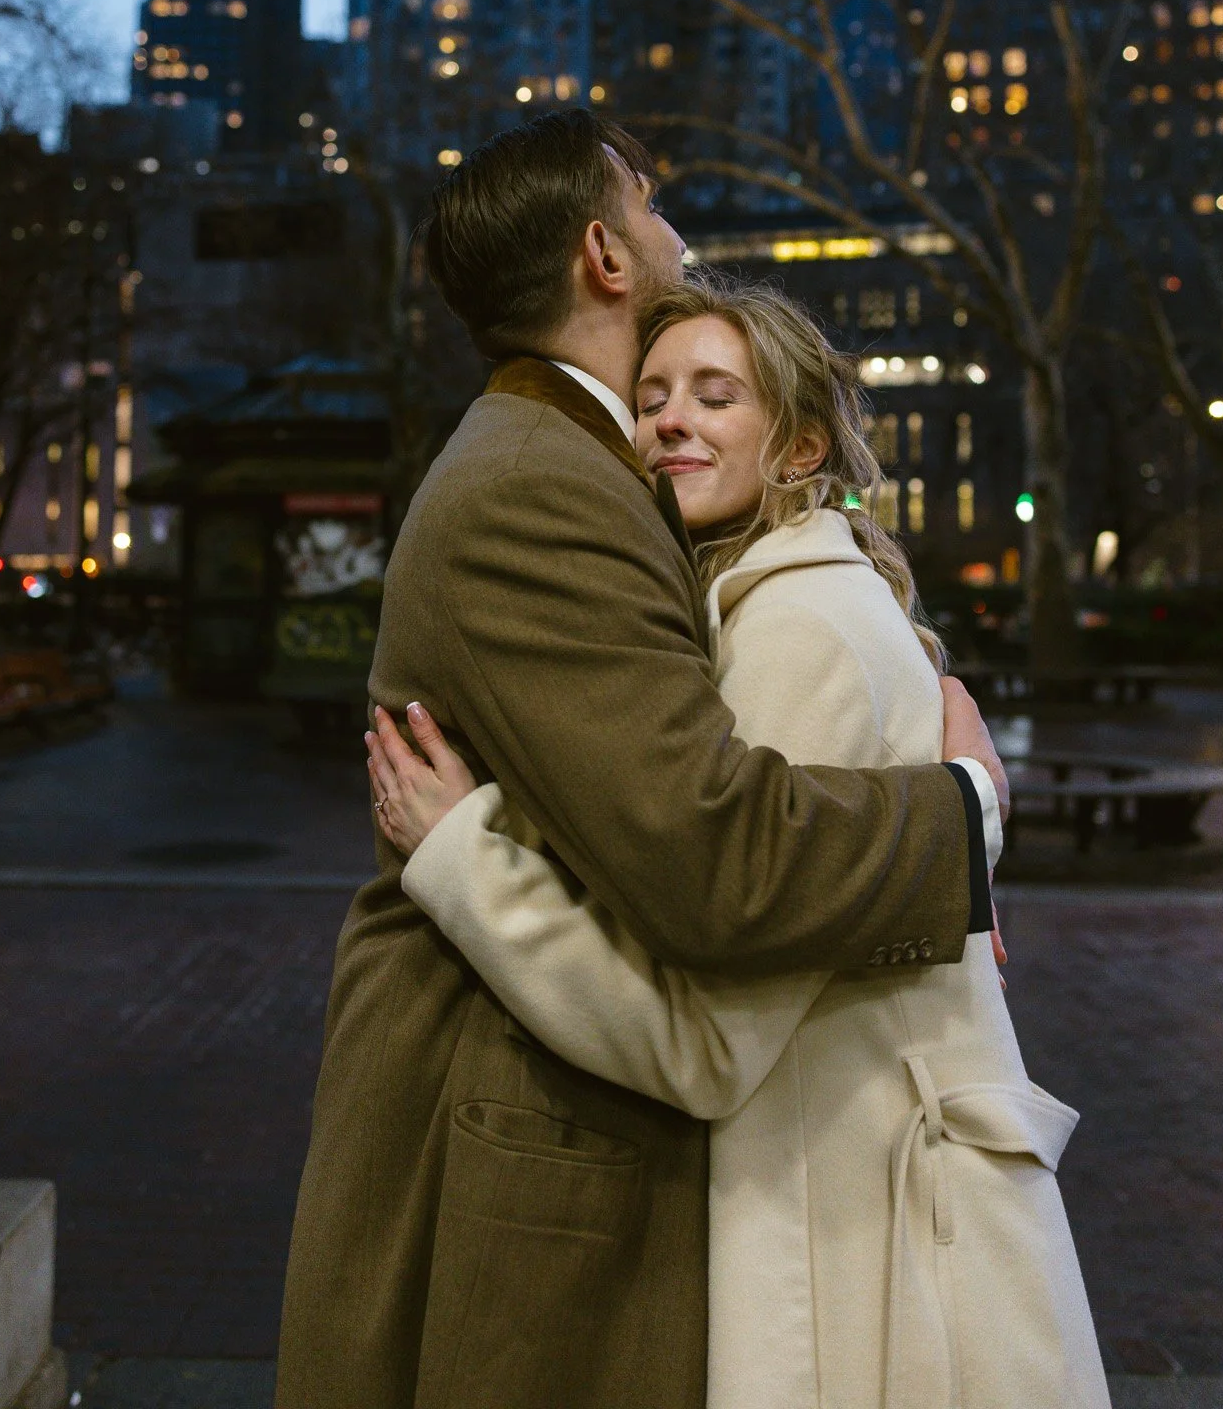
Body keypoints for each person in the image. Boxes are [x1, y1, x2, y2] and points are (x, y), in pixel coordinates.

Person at [275, 112, 1007, 1409]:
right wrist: (963, 821)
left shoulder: (575, 461)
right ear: (607, 258)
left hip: (565, 1074)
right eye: (653, 204)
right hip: (504, 1116)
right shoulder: (536, 480)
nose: (678, 234)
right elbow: (709, 852)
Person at [368, 281, 1108, 1409]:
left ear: (802, 443)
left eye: (717, 396)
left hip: (868, 1249)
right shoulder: (786, 599)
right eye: (651, 395)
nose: (671, 419)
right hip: (872, 1206)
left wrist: (466, 855)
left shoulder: (796, 629)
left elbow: (702, 1045)